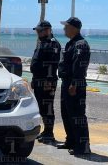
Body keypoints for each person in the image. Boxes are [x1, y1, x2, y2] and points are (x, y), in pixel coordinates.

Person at [57, 17, 91, 156]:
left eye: (67, 26)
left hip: (74, 84)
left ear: (74, 28)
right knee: (67, 114)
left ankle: (83, 146)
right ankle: (71, 141)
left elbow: (79, 67)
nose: (64, 28)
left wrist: (74, 84)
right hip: (67, 83)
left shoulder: (81, 44)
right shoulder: (71, 43)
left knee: (77, 115)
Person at [30, 20, 61, 144]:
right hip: (38, 80)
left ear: (47, 30)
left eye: (39, 30)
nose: (37, 32)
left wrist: (48, 82)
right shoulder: (42, 43)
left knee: (47, 107)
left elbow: (52, 65)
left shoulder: (53, 44)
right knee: (41, 107)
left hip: (47, 82)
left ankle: (49, 133)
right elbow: (37, 62)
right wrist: (33, 79)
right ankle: (46, 131)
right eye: (37, 30)